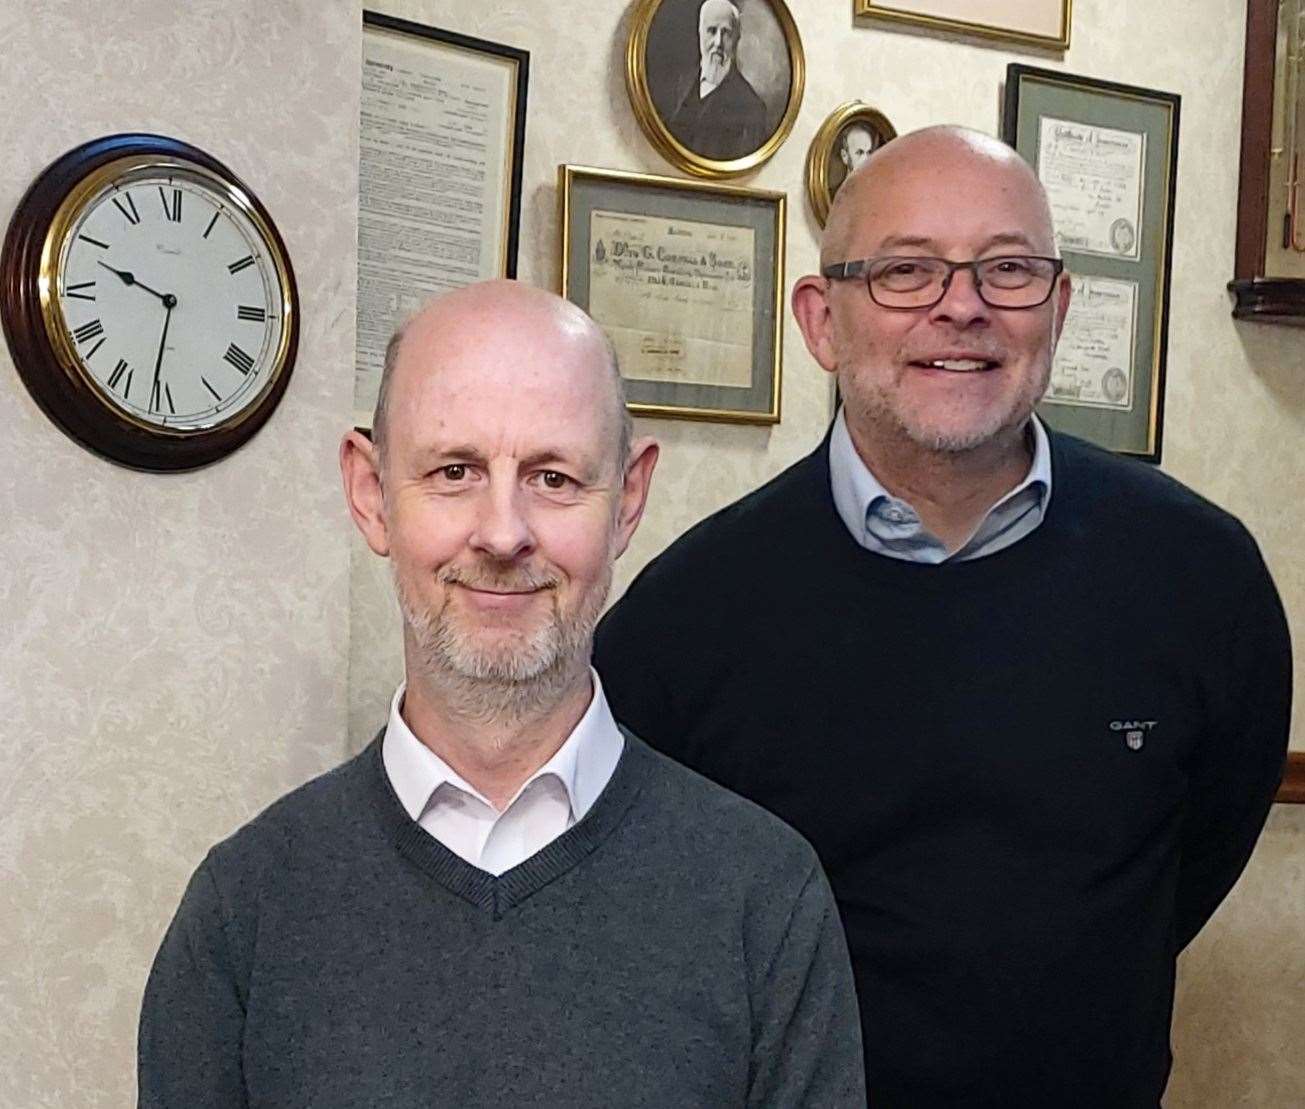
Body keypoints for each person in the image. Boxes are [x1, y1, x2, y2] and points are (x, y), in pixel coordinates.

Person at [594, 127, 1292, 1106]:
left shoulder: (1200, 574)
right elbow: (640, 935)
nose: (961, 306)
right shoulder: (682, 618)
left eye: (1007, 268)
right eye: (905, 270)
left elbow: (1189, 856)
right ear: (821, 320)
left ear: (1057, 307)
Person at [137, 281, 865, 1107]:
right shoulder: (245, 911)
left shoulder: (764, 898)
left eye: (554, 478)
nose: (504, 532)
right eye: (454, 471)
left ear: (627, 499)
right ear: (371, 494)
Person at [666, 0, 768, 160]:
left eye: (726, 33)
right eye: (711, 31)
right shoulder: (679, 85)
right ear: (700, 33)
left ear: (737, 38)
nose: (718, 43)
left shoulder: (752, 109)